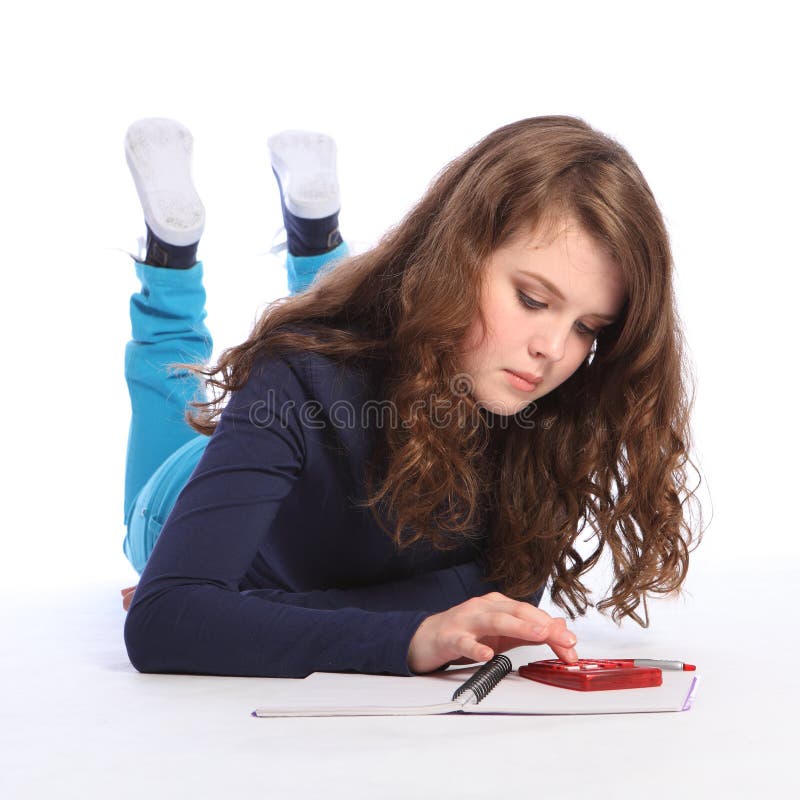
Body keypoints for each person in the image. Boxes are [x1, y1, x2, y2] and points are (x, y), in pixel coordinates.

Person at [121, 115, 703, 679]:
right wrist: (409, 633)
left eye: (588, 328)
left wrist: (260, 614)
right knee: (177, 380)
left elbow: (503, 594)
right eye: (532, 299)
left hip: (306, 427)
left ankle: (314, 232)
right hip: (186, 486)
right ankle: (174, 257)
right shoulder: (295, 375)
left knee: (349, 339)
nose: (554, 349)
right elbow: (165, 618)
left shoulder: (551, 415)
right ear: (460, 257)